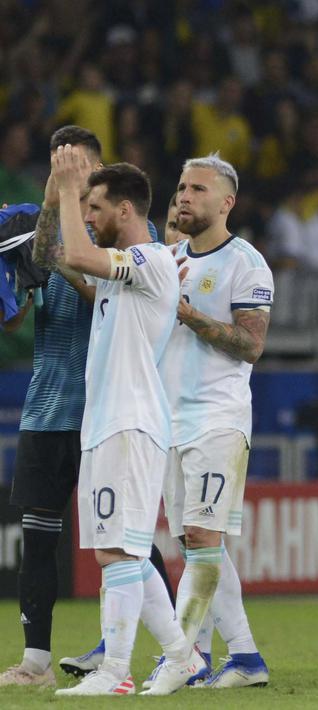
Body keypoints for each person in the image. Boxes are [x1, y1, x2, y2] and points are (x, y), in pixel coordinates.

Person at [0, 126, 172, 690]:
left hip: (110, 409)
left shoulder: (130, 238)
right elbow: (22, 301)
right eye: (61, 169)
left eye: (76, 170)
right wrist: (54, 205)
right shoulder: (55, 219)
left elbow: (92, 278)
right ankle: (36, 659)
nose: (70, 179)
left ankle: (158, 656)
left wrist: (70, 210)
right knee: (42, 538)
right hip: (50, 405)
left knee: (128, 542)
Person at [51, 153, 203, 697]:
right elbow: (72, 256)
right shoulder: (130, 267)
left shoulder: (148, 260)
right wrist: (65, 196)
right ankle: (181, 657)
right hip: (107, 423)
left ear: (124, 208)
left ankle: (115, 672)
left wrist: (68, 189)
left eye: (95, 206)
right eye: (84, 205)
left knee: (118, 552)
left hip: (131, 422)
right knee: (123, 552)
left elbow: (76, 253)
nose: (88, 214)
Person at [148, 154, 273, 689]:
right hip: (167, 417)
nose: (184, 196)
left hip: (218, 417)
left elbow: (252, 345)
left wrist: (188, 313)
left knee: (201, 536)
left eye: (198, 188)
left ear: (226, 203)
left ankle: (184, 658)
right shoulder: (163, 257)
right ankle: (241, 657)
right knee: (193, 542)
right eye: (180, 187)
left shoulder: (246, 263)